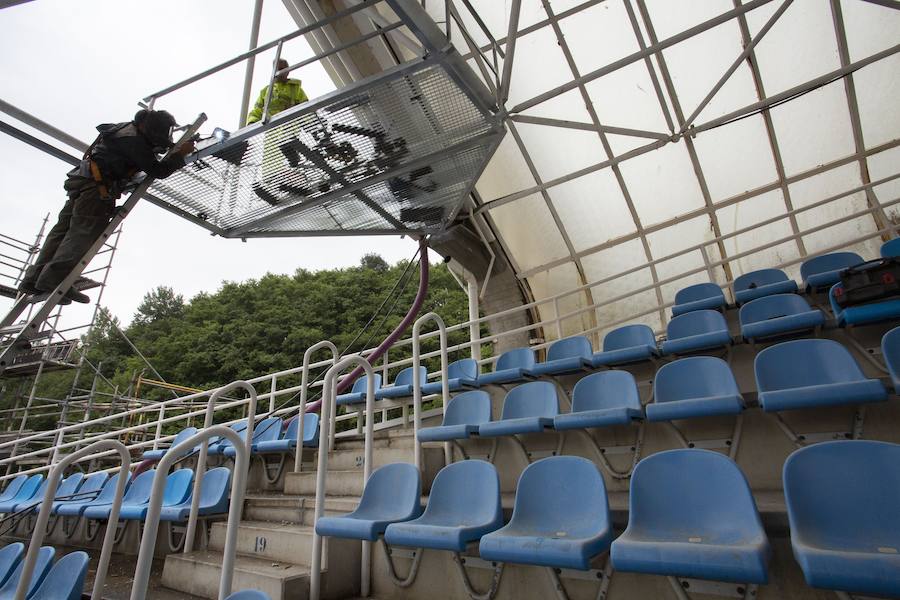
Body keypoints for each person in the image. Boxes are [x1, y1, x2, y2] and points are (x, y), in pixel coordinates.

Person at [18, 109, 195, 304]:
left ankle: (33, 279)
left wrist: (173, 146)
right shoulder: (132, 141)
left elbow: (147, 147)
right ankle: (54, 280)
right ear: (149, 127)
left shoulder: (126, 131)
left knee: (61, 233)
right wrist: (180, 155)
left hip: (83, 183)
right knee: (82, 236)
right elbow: (157, 170)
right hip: (96, 188)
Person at [246, 58, 308, 125]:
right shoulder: (265, 91)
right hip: (272, 130)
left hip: (291, 129)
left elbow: (306, 108)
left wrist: (309, 124)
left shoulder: (296, 89)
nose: (279, 72)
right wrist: (252, 122)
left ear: (288, 71)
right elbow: (257, 110)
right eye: (277, 69)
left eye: (282, 69)